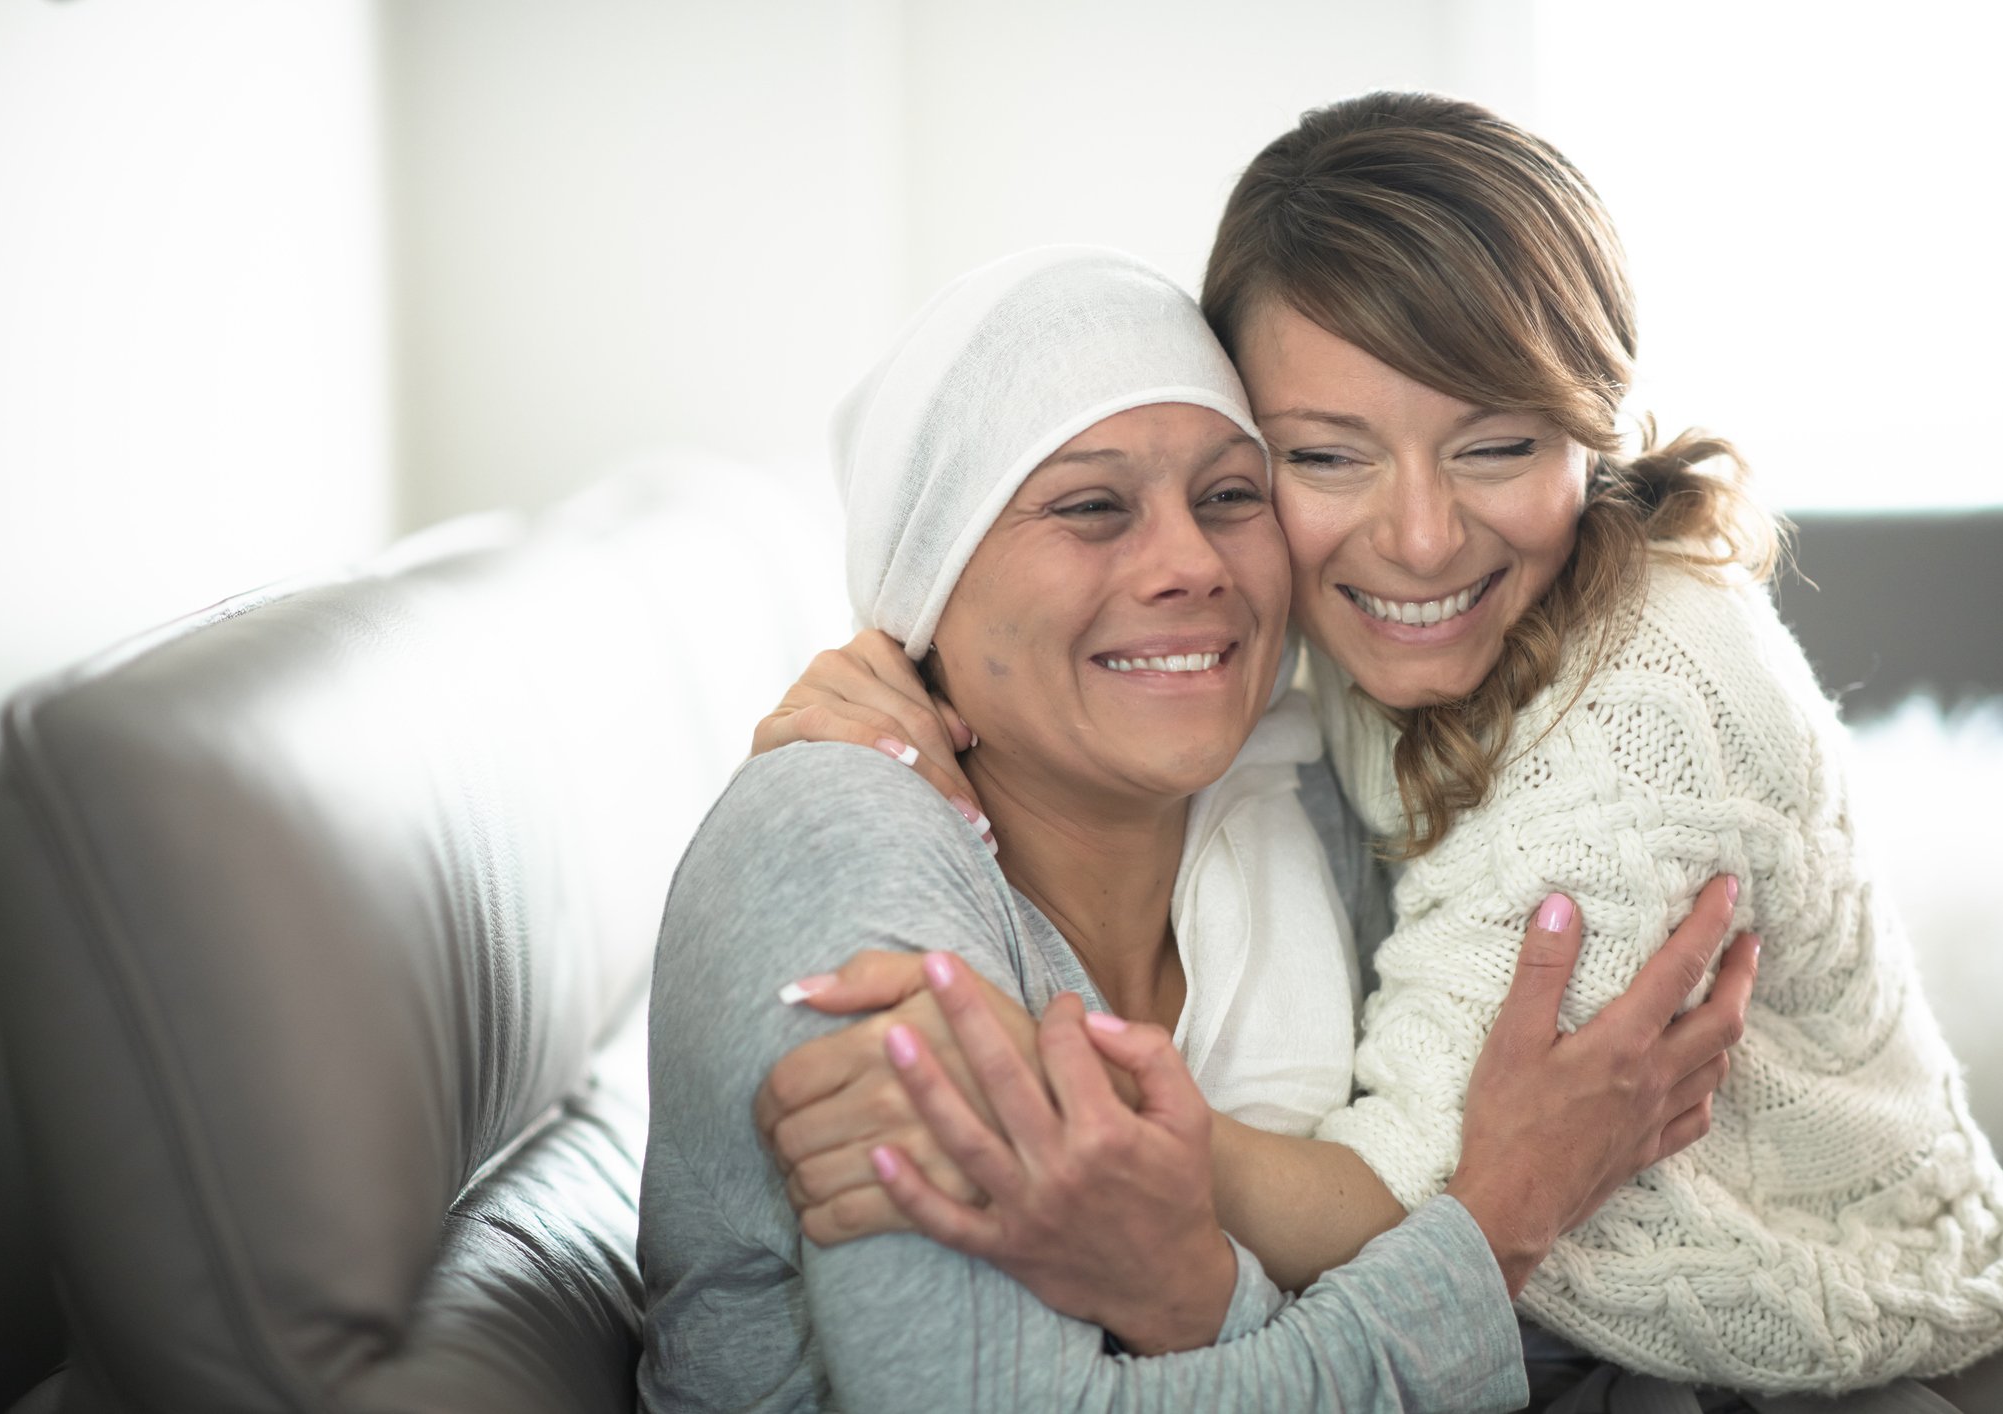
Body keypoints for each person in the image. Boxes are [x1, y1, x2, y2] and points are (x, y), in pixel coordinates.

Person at [748, 95, 2003, 1409]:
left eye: (1497, 445)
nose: (1415, 537)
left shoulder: (1647, 708)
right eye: (1325, 456)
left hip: (1844, 1361)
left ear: (1598, 424)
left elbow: (1402, 1192)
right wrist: (897, 666)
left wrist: (1048, 1082)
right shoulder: (1359, 616)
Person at [637, 245, 1752, 1413]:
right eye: (1090, 507)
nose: (1191, 564)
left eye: (1231, 496)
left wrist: (1205, 1293)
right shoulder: (841, 840)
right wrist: (1505, 1221)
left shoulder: (1306, 794)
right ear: (925, 579)